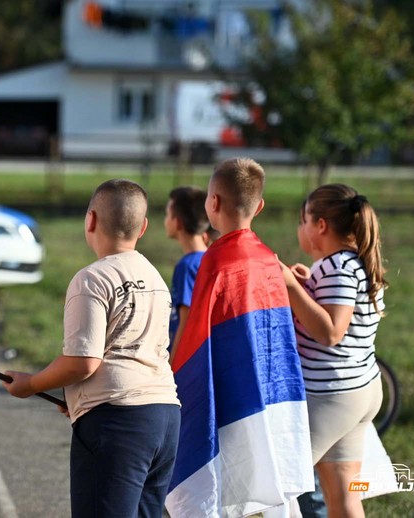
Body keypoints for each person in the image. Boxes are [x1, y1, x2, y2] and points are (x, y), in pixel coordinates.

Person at [3, 179, 181, 518]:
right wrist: (77, 399)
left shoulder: (92, 278)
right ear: (143, 227)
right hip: (164, 416)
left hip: (117, 421)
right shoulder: (155, 277)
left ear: (91, 220)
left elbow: (83, 361)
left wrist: (32, 384)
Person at [166, 158, 313, 517]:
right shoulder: (268, 259)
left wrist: (175, 381)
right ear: (259, 207)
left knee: (222, 479)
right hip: (270, 386)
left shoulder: (215, 261)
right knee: (270, 470)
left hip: (228, 388)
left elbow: (197, 336)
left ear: (213, 202)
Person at [280, 184, 387, 518]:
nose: (300, 228)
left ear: (321, 226)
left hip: (332, 395)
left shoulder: (336, 266)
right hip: (360, 390)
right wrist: (307, 286)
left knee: (274, 485)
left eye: (303, 221)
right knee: (343, 497)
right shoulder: (353, 263)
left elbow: (331, 332)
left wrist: (291, 287)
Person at [163, 186, 218, 360]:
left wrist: (173, 364)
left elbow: (186, 320)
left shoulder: (186, 266)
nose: (165, 220)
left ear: (178, 222)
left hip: (187, 360)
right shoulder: (210, 258)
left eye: (167, 215)